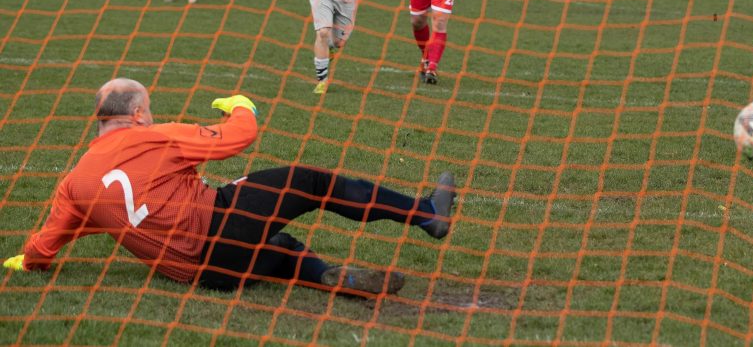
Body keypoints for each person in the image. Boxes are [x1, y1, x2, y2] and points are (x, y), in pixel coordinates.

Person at [2, 78, 456, 296]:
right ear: (137, 114)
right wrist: (241, 106)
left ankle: (337, 280)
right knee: (312, 182)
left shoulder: (74, 181)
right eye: (150, 108)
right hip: (217, 226)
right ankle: (427, 214)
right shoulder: (151, 136)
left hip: (206, 276)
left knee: (278, 243)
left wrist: (30, 259)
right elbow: (239, 138)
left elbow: (53, 237)